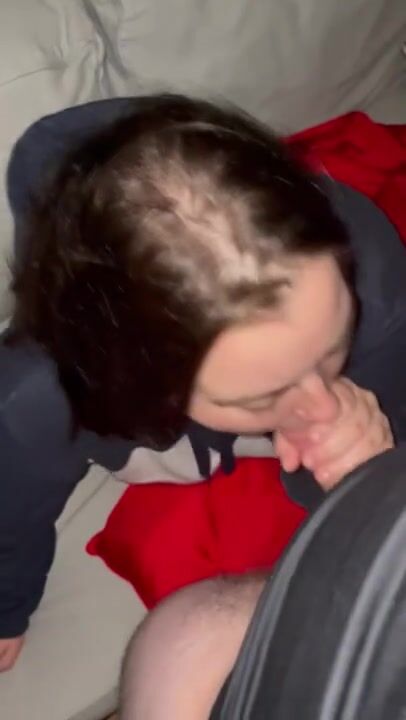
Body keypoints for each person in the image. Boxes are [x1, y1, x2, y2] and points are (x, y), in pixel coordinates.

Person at [0, 94, 404, 674]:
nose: (322, 403)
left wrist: (358, 473)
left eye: (333, 343)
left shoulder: (369, 275)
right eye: (261, 396)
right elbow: (10, 508)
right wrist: (7, 602)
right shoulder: (36, 397)